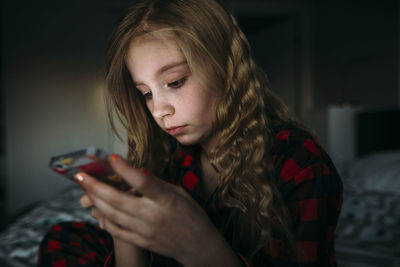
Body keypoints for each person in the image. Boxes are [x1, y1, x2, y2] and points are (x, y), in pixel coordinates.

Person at [38, 0, 343, 266]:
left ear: (226, 67)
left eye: (174, 82)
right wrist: (125, 231)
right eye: (145, 93)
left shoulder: (298, 160)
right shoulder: (169, 156)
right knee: (63, 238)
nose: (158, 110)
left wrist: (198, 242)